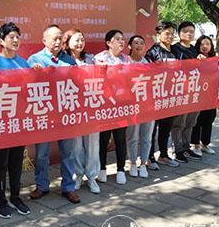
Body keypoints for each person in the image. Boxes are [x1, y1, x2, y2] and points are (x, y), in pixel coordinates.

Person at [0, 22, 38, 218]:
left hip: (19, 120)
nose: (15, 40)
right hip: (1, 122)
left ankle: (15, 197)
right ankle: (1, 200)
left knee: (16, 160)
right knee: (1, 161)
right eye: (11, 37)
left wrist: (36, 72)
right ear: (1, 40)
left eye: (18, 37)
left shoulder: (23, 63)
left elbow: (31, 89)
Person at [27, 25, 81, 204]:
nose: (58, 41)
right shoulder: (34, 60)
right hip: (44, 114)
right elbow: (25, 85)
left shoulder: (70, 60)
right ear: (44, 41)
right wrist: (34, 74)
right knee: (42, 154)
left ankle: (68, 187)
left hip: (65, 113)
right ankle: (41, 186)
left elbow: (77, 84)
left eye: (60, 38)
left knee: (68, 153)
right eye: (54, 38)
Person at [63, 29, 100, 194]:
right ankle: (78, 175)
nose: (80, 43)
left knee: (92, 144)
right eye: (76, 40)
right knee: (76, 145)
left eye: (82, 40)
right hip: (73, 108)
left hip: (91, 107)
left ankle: (92, 176)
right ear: (68, 41)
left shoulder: (92, 59)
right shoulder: (63, 60)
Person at [95, 29, 131, 185]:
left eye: (122, 39)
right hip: (105, 104)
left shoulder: (127, 59)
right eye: (117, 39)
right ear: (109, 43)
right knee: (103, 138)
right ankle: (102, 169)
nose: (121, 41)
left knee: (120, 138)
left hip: (122, 104)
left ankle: (121, 169)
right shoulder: (99, 58)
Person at [144, 21, 179, 168]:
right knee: (152, 129)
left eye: (172, 34)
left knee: (166, 127)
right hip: (155, 96)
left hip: (170, 96)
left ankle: (163, 155)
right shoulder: (152, 52)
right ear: (158, 35)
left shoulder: (175, 51)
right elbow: (146, 74)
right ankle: (149, 157)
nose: (170, 36)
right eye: (167, 34)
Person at [170, 21, 203, 163]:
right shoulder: (174, 49)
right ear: (179, 33)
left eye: (191, 31)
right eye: (185, 31)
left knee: (190, 122)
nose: (189, 34)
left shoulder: (195, 50)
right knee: (179, 122)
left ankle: (186, 146)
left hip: (194, 91)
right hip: (180, 91)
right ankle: (177, 150)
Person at [191, 35, 219, 156]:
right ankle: (195, 145)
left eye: (207, 44)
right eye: (202, 44)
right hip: (197, 95)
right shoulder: (194, 59)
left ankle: (205, 144)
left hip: (211, 96)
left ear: (211, 46)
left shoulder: (218, 60)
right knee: (197, 120)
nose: (205, 46)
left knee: (209, 120)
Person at [125, 35, 153, 179]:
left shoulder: (148, 62)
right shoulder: (124, 62)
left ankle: (143, 163)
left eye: (142, 43)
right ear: (129, 46)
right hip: (132, 106)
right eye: (136, 43)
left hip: (147, 106)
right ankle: (132, 162)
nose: (139, 45)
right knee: (133, 136)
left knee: (146, 136)